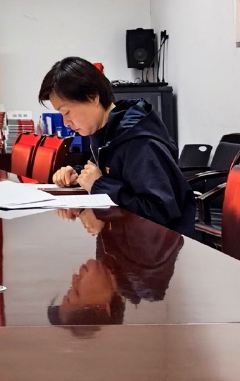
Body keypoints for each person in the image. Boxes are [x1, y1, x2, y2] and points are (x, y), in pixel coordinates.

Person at [38, 56, 196, 236]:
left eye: (66, 112)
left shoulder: (139, 143)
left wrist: (99, 185)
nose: (65, 122)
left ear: (93, 97)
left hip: (156, 246)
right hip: (123, 239)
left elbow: (161, 212)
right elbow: (109, 173)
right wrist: (77, 174)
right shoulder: (104, 133)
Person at [48, 207, 185, 334]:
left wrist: (79, 208)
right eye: (76, 291)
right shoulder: (146, 266)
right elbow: (155, 203)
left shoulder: (109, 264)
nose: (74, 278)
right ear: (103, 307)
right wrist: (98, 212)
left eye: (71, 288)